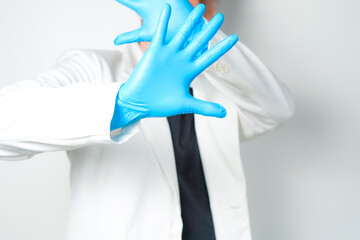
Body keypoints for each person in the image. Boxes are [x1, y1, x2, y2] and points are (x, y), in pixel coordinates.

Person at [0, 0, 294, 240]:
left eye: (200, 4)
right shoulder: (94, 68)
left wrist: (204, 38)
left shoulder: (223, 86)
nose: (192, 7)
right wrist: (122, 104)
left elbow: (278, 109)